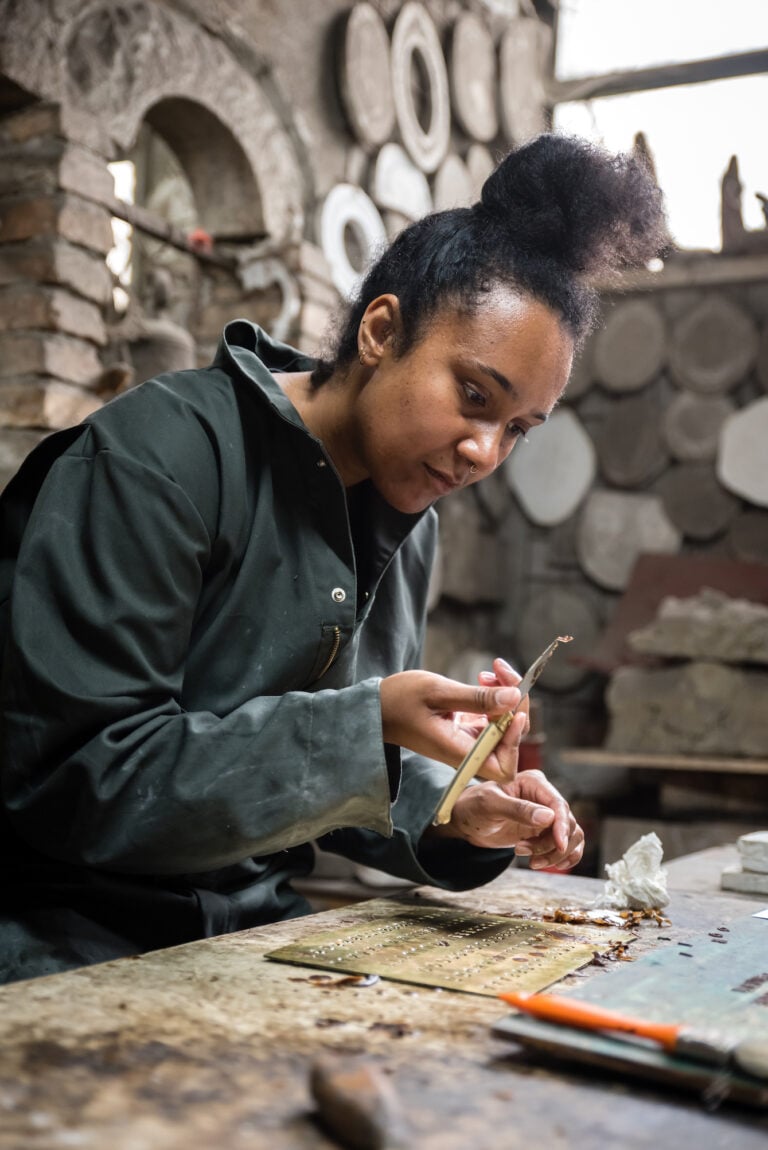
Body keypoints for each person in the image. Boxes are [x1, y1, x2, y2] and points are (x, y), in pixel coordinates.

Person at [0, 134, 667, 984]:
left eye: (517, 430)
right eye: (474, 396)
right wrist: (368, 722)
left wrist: (453, 809)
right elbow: (77, 781)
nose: (482, 451)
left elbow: (313, 792)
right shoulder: (156, 457)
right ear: (382, 330)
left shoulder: (409, 514)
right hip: (62, 931)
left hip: (250, 934)